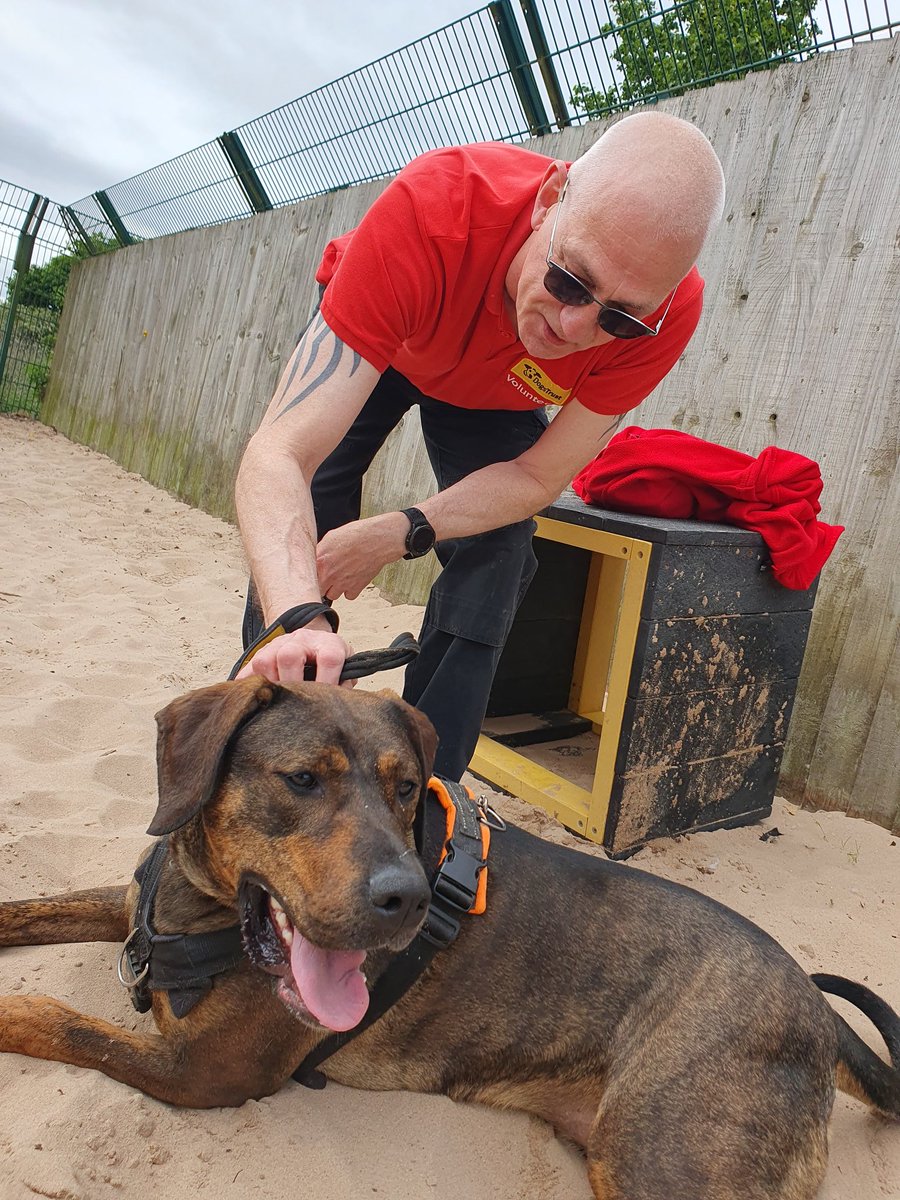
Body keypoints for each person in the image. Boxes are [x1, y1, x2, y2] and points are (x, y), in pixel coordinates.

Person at [234, 112, 725, 779]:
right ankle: (268, 742)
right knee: (309, 520)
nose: (575, 326)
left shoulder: (662, 318)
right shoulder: (436, 208)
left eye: (617, 318)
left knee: (502, 553)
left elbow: (534, 478)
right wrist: (297, 614)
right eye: (569, 280)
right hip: (396, 338)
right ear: (549, 200)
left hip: (492, 391)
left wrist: (401, 530)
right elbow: (280, 454)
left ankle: (428, 784)